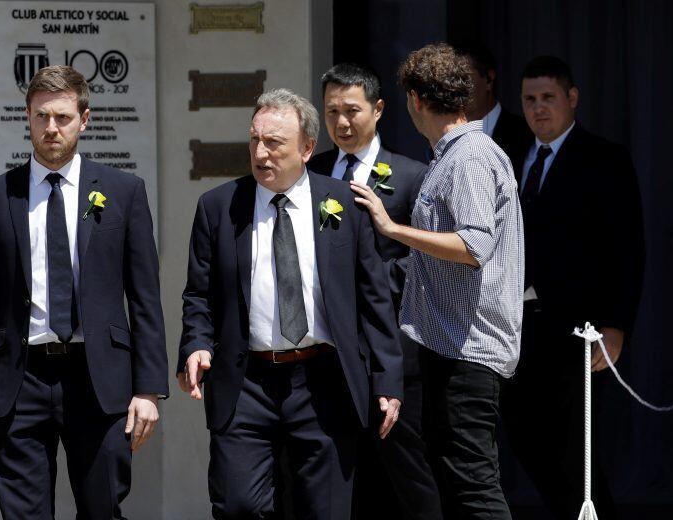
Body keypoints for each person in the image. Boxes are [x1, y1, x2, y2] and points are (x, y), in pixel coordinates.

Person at [177, 88, 403, 519]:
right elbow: (198, 295)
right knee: (238, 505)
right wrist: (196, 344)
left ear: (306, 148)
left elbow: (374, 298)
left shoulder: (344, 205)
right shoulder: (218, 207)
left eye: (274, 143)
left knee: (326, 509)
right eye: (254, 140)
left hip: (324, 379)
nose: (261, 153)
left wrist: (387, 379)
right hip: (246, 381)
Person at [0, 65, 169, 519]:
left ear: (85, 119)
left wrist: (149, 389)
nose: (51, 128)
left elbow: (146, 297)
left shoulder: (123, 191)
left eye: (63, 117)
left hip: (98, 379)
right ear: (27, 119)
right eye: (40, 117)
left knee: (101, 509)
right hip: (18, 380)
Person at [351, 43, 522, 519]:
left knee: (473, 487)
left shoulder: (467, 156)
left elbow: (473, 245)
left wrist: (393, 228)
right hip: (452, 348)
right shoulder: (458, 153)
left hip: (468, 350)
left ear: (415, 99)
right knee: (453, 482)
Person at [502, 55, 645, 520]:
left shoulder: (604, 159)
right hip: (518, 326)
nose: (539, 109)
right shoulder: (510, 154)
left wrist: (617, 324)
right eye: (529, 99)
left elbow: (627, 250)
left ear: (571, 98)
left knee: (574, 450)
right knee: (522, 434)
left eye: (548, 97)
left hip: (579, 329)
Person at [307, 62, 441, 520]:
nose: (342, 124)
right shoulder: (313, 172)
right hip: (327, 351)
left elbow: (422, 258)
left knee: (408, 472)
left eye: (352, 111)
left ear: (378, 109)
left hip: (393, 348)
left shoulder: (411, 175)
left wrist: (356, 287)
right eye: (331, 113)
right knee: (338, 471)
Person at [455, 41, 532, 165]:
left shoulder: (526, 134)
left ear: (489, 79)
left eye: (463, 78)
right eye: (451, 80)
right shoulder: (447, 137)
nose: (455, 87)